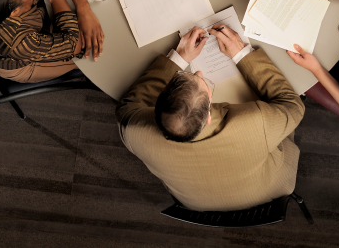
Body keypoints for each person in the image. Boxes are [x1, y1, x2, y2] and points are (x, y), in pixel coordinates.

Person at [116, 25, 304, 211]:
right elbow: (292, 105)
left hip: (196, 205)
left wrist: (178, 58)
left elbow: (128, 107)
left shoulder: (135, 134)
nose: (199, 73)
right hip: (267, 189)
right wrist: (241, 54)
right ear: (208, 117)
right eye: (204, 83)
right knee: (283, 125)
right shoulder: (256, 123)